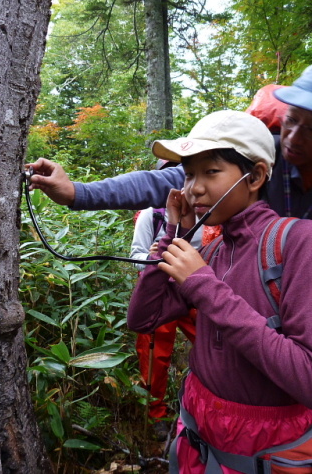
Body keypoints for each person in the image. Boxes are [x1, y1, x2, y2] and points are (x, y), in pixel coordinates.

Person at [127, 109, 312, 473]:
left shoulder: (298, 243)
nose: (194, 188)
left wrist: (203, 285)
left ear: (256, 176)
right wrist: (171, 234)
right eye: (189, 174)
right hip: (198, 435)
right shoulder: (212, 250)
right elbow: (143, 318)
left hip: (262, 449)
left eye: (211, 172)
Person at [27, 65, 312, 221]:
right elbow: (158, 183)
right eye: (290, 120)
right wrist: (76, 192)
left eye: (310, 128)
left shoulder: (262, 159)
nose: (294, 137)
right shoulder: (266, 154)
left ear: (258, 177)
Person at [130, 159, 197, 441]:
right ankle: (155, 413)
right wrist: (156, 259)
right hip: (158, 296)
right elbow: (135, 257)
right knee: (155, 357)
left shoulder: (203, 213)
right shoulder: (151, 215)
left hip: (192, 293)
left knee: (216, 341)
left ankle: (205, 400)